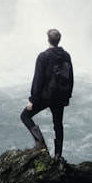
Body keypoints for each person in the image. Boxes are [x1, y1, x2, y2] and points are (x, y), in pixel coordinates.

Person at [21, 28, 73, 158]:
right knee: (58, 125)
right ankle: (58, 156)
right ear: (59, 40)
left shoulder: (43, 56)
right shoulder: (66, 55)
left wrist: (32, 99)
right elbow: (71, 77)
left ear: (48, 40)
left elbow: (38, 79)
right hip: (60, 96)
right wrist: (67, 96)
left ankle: (41, 144)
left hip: (46, 96)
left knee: (25, 116)